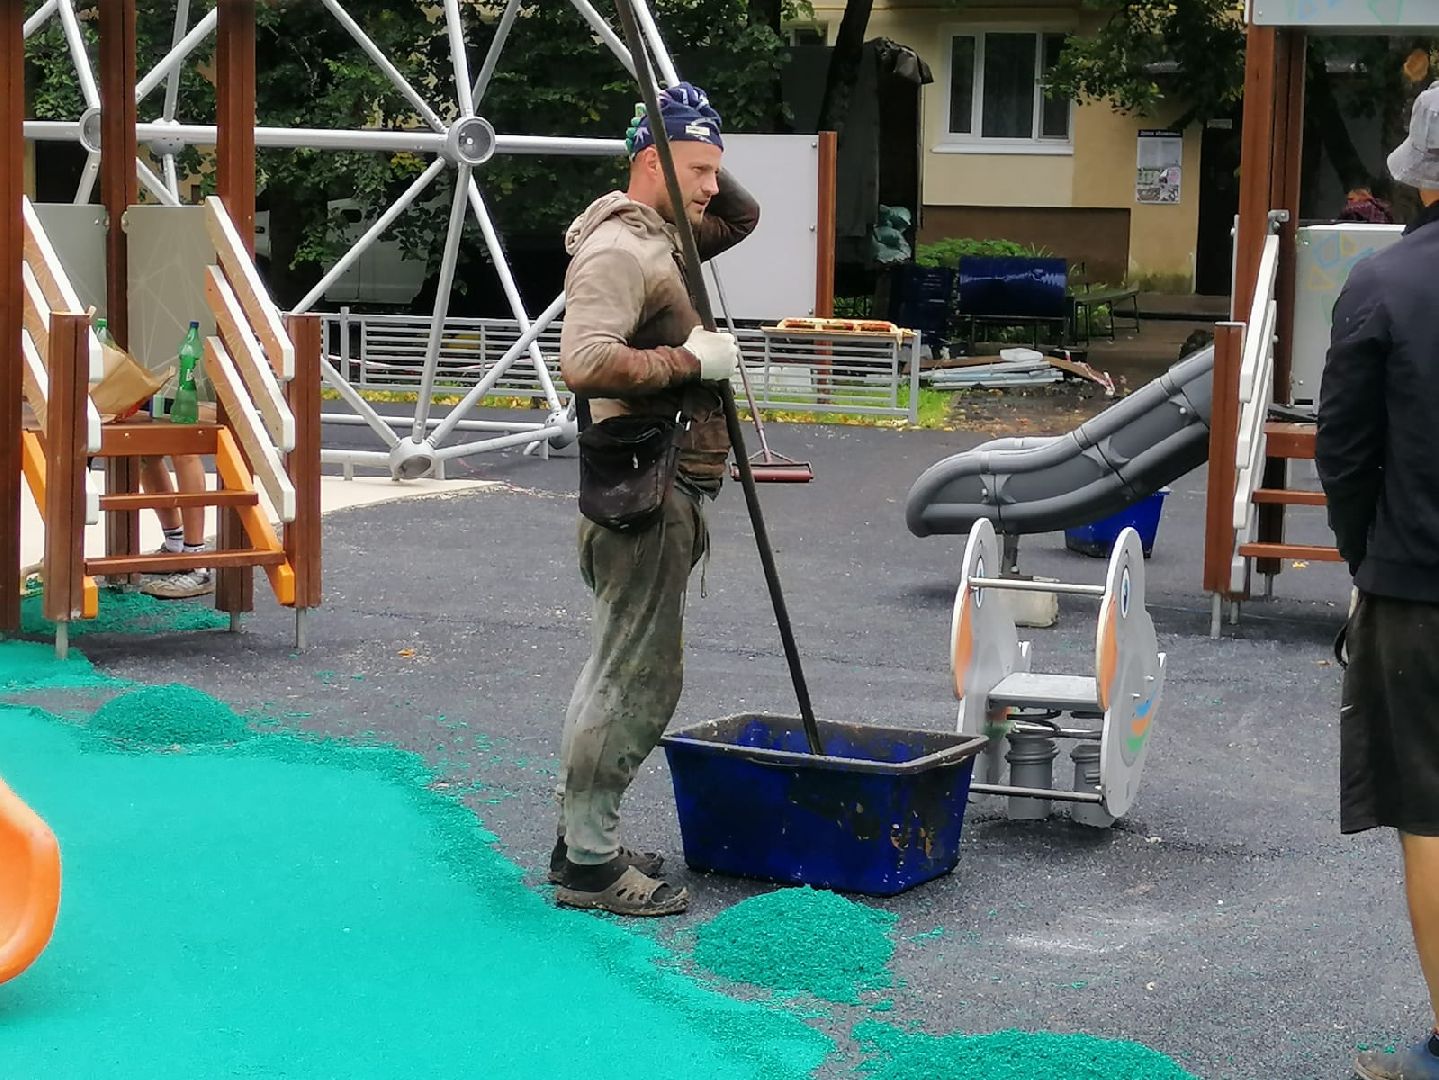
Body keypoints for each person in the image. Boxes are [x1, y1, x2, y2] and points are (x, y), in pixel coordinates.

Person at [551, 82, 758, 916]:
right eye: (696, 170)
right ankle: (591, 867)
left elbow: (741, 218)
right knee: (633, 679)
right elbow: (583, 360)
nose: (711, 186)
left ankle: (581, 843)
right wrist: (690, 362)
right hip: (646, 490)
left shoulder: (663, 236)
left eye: (713, 170)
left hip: (660, 486)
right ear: (649, 166)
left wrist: (687, 129)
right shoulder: (619, 251)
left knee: (625, 668)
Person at [1316, 81, 1439, 1080]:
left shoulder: (1383, 283)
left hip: (1417, 589)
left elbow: (1345, 451)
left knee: (1431, 814)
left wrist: (1367, 555)